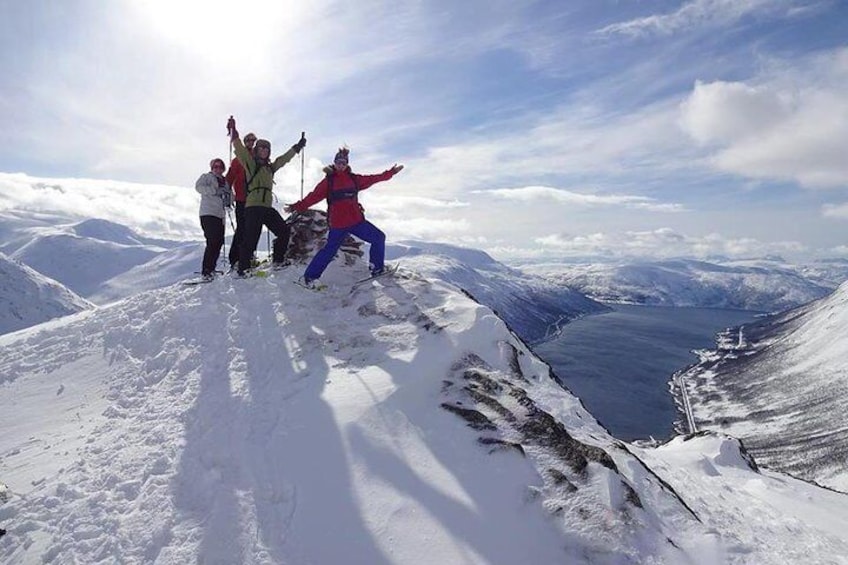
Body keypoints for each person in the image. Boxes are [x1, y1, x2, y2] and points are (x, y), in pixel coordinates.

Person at [285, 147, 404, 287]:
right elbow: (313, 197)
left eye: (343, 162)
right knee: (329, 251)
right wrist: (296, 206)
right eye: (338, 162)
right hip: (338, 224)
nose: (340, 165)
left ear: (347, 164)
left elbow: (373, 178)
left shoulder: (354, 179)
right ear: (334, 163)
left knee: (379, 237)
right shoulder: (328, 182)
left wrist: (391, 173)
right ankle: (309, 278)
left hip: (356, 221)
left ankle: (377, 269)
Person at [226, 116, 306, 277]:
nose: (264, 151)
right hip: (253, 207)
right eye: (261, 148)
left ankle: (277, 260)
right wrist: (234, 132)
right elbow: (240, 149)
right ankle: (243, 268)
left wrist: (297, 147)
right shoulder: (250, 163)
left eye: (266, 149)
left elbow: (283, 160)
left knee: (283, 231)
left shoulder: (270, 168)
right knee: (250, 238)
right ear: (256, 151)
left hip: (266, 207)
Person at [195, 158, 233, 280]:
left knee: (218, 241)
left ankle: (211, 269)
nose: (218, 169)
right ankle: (206, 271)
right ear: (211, 168)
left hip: (220, 215)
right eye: (215, 166)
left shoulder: (225, 182)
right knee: (212, 240)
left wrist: (229, 199)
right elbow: (198, 187)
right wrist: (215, 190)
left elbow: (231, 196)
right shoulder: (206, 177)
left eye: (220, 167)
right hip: (208, 213)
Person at [224, 131, 257, 270]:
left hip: (253, 199)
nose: (251, 142)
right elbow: (229, 179)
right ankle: (236, 258)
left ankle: (245, 257)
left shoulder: (256, 158)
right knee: (243, 228)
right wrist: (227, 194)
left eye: (253, 140)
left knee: (251, 228)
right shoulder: (238, 160)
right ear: (245, 142)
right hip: (242, 199)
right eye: (248, 140)